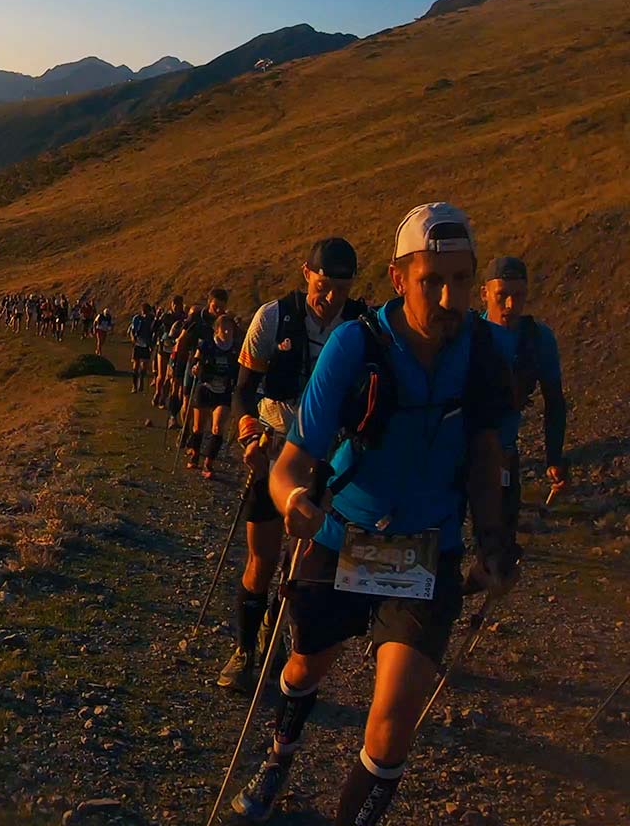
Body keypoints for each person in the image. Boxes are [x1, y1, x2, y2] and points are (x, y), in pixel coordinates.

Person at [230, 203, 517, 825]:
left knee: (391, 727)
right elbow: (292, 463)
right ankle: (281, 751)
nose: (449, 296)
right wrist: (294, 500)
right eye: (431, 280)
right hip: (342, 535)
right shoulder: (354, 346)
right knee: (305, 664)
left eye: (462, 279)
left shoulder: (484, 351)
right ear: (397, 276)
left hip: (427, 550)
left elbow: (489, 455)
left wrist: (494, 542)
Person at [219, 237, 365, 692]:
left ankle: (287, 643)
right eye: (323, 286)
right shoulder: (273, 317)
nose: (330, 298)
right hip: (275, 446)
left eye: (341, 289)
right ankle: (245, 649)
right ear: (307, 274)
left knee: (304, 562)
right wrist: (247, 435)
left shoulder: (362, 326)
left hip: (328, 460)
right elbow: (243, 388)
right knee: (261, 559)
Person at [477, 256, 568, 517]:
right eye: (502, 295)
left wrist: (554, 457)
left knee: (501, 535)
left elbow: (554, 401)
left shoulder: (538, 339)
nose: (510, 305)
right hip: (463, 449)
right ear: (485, 293)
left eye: (518, 296)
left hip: (505, 451)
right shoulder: (468, 336)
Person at [186, 312, 241, 480]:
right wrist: (196, 367)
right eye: (223, 329)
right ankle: (195, 454)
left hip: (224, 391)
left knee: (217, 428)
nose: (227, 332)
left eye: (229, 329)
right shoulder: (207, 345)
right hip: (205, 388)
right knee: (198, 428)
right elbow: (196, 360)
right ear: (216, 330)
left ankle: (209, 463)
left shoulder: (235, 349)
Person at [127, 304, 156, 392]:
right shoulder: (137, 318)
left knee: (144, 367)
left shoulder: (152, 320)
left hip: (146, 344)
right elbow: (132, 330)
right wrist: (133, 338)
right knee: (135, 366)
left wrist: (152, 344)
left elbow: (154, 331)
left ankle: (141, 380)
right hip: (138, 344)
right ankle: (134, 386)